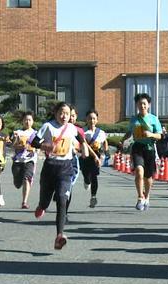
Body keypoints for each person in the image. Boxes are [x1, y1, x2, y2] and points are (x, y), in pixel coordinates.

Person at [31, 102, 88, 250]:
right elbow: (34, 141)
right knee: (45, 201)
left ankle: (59, 235)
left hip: (66, 168)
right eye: (61, 112)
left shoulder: (71, 128)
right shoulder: (48, 126)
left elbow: (81, 139)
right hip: (50, 167)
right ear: (56, 113)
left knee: (63, 199)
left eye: (67, 114)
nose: (64, 116)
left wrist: (84, 149)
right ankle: (42, 205)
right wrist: (45, 146)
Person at [119, 93, 162, 211]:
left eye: (144, 103)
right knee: (138, 171)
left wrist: (151, 134)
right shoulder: (134, 119)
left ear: (148, 105)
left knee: (148, 177)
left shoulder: (153, 119)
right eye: (139, 103)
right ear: (136, 105)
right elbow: (129, 132)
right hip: (137, 147)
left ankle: (147, 196)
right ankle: (139, 197)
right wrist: (122, 140)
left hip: (149, 148)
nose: (142, 106)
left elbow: (160, 135)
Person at [81, 109, 108, 208]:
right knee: (85, 173)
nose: (92, 121)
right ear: (86, 119)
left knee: (94, 175)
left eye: (94, 119)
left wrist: (103, 155)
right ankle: (86, 181)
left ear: (97, 120)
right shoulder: (83, 131)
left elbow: (105, 143)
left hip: (96, 156)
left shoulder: (101, 132)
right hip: (85, 155)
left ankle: (93, 196)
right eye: (90, 118)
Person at [11, 111, 38, 209]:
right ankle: (17, 180)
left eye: (30, 120)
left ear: (33, 121)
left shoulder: (36, 134)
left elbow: (39, 146)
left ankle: (24, 201)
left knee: (27, 179)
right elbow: (12, 146)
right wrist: (16, 141)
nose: (27, 122)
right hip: (18, 160)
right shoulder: (18, 132)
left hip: (30, 160)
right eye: (25, 120)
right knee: (18, 183)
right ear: (22, 121)